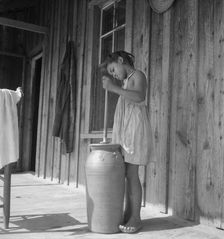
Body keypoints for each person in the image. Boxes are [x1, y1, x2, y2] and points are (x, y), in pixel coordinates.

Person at [101, 51, 153, 233]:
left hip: (135, 132)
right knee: (126, 174)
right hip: (126, 133)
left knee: (132, 174)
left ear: (121, 61)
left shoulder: (138, 75)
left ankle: (136, 218)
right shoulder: (125, 81)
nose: (113, 75)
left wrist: (113, 89)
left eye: (113, 69)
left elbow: (139, 96)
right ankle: (128, 212)